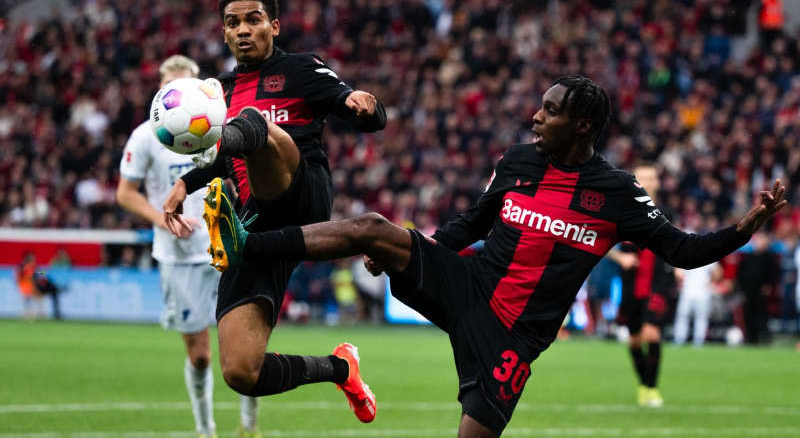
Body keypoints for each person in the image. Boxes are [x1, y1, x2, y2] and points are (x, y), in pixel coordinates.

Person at [202, 75, 788, 438]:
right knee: (374, 229)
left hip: (512, 336)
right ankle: (250, 241)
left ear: (582, 124)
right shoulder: (517, 162)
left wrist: (745, 225)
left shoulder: (615, 192)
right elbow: (468, 225)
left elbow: (684, 251)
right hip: (467, 281)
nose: (536, 116)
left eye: (550, 110)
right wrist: (412, 255)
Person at [162, 0, 386, 423]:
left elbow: (359, 111)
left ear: (274, 26)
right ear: (224, 34)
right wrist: (184, 184)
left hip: (302, 194)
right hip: (255, 224)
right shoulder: (217, 90)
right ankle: (341, 368)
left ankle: (226, 195)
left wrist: (365, 105)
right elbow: (227, 158)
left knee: (254, 124)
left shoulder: (299, 69)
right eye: (233, 23)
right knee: (241, 372)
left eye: (253, 19)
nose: (243, 30)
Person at [117, 55, 260, 438]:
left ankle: (249, 426)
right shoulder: (147, 135)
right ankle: (205, 429)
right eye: (170, 90)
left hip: (227, 247)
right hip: (178, 257)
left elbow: (242, 177)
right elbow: (125, 193)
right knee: (200, 356)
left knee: (243, 349)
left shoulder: (218, 126)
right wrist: (160, 218)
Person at [606, 162, 676, 408]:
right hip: (630, 284)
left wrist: (676, 267)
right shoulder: (622, 210)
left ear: (657, 183)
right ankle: (643, 386)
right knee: (634, 340)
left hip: (657, 283)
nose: (647, 182)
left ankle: (652, 388)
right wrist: (620, 256)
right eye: (642, 177)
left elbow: (674, 244)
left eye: (651, 178)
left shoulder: (666, 214)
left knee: (651, 333)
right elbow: (600, 241)